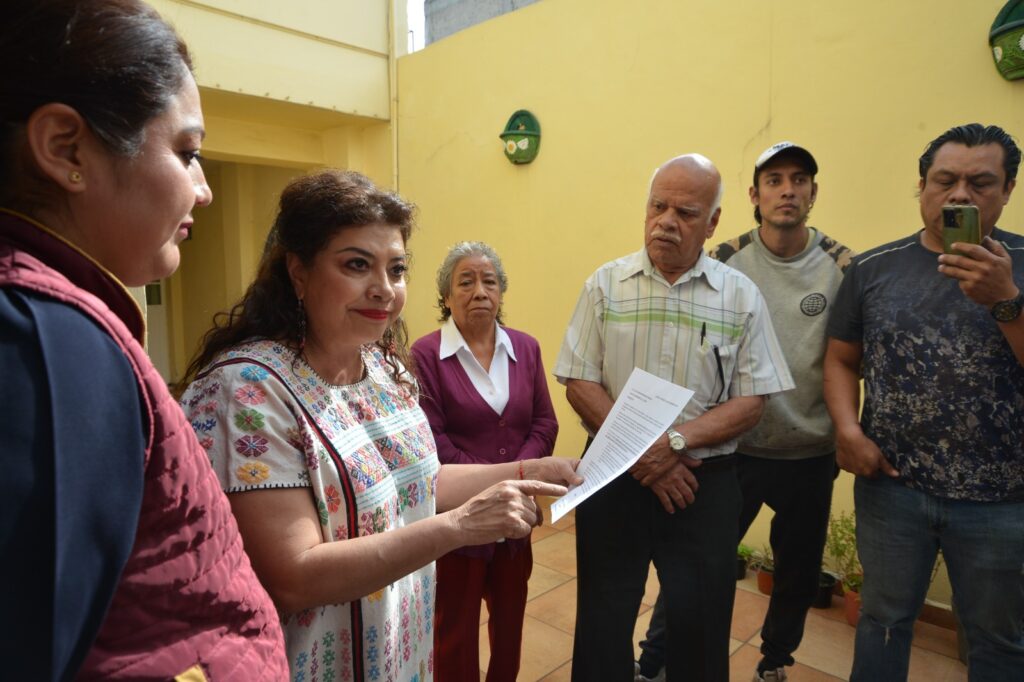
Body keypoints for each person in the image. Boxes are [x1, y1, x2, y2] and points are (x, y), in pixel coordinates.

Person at [179, 170, 580, 682]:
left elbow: (421, 482)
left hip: (398, 653)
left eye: (396, 269)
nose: (384, 290)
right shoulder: (248, 389)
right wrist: (460, 527)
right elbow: (294, 576)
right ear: (297, 272)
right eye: (356, 265)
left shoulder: (385, 369)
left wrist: (529, 467)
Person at [0, 1, 288, 679]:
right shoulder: (49, 343)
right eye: (186, 152)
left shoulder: (69, 323)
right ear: (67, 149)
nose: (204, 190)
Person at [555, 154, 794, 682]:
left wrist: (677, 444)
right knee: (602, 617)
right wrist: (648, 454)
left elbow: (752, 400)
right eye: (657, 206)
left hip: (702, 487)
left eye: (685, 212)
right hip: (616, 478)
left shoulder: (740, 297)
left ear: (712, 222)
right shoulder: (605, 286)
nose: (666, 221)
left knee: (701, 623)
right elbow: (578, 380)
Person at [635, 142, 854, 682]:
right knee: (697, 569)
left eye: (799, 180)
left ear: (812, 193)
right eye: (774, 180)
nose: (787, 190)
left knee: (797, 573)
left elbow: (850, 356)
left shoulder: (844, 265)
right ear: (754, 196)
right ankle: (655, 661)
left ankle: (774, 661)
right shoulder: (727, 259)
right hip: (733, 452)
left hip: (809, 450)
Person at [824, 123, 1024, 681]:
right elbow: (840, 360)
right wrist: (847, 430)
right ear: (922, 187)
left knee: (999, 641)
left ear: (1008, 190)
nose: (960, 195)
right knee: (883, 622)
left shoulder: (1021, 268)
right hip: (893, 490)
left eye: (981, 182)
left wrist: (1006, 300)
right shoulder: (873, 269)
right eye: (945, 180)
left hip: (1003, 501)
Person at [411, 241, 559, 681]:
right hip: (459, 521)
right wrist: (498, 484)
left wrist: (519, 482)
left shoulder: (526, 349)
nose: (480, 291)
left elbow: (545, 424)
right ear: (446, 296)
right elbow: (432, 443)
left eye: (489, 281)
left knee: (510, 623)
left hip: (517, 518)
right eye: (466, 281)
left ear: (501, 293)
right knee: (454, 629)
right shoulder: (425, 356)